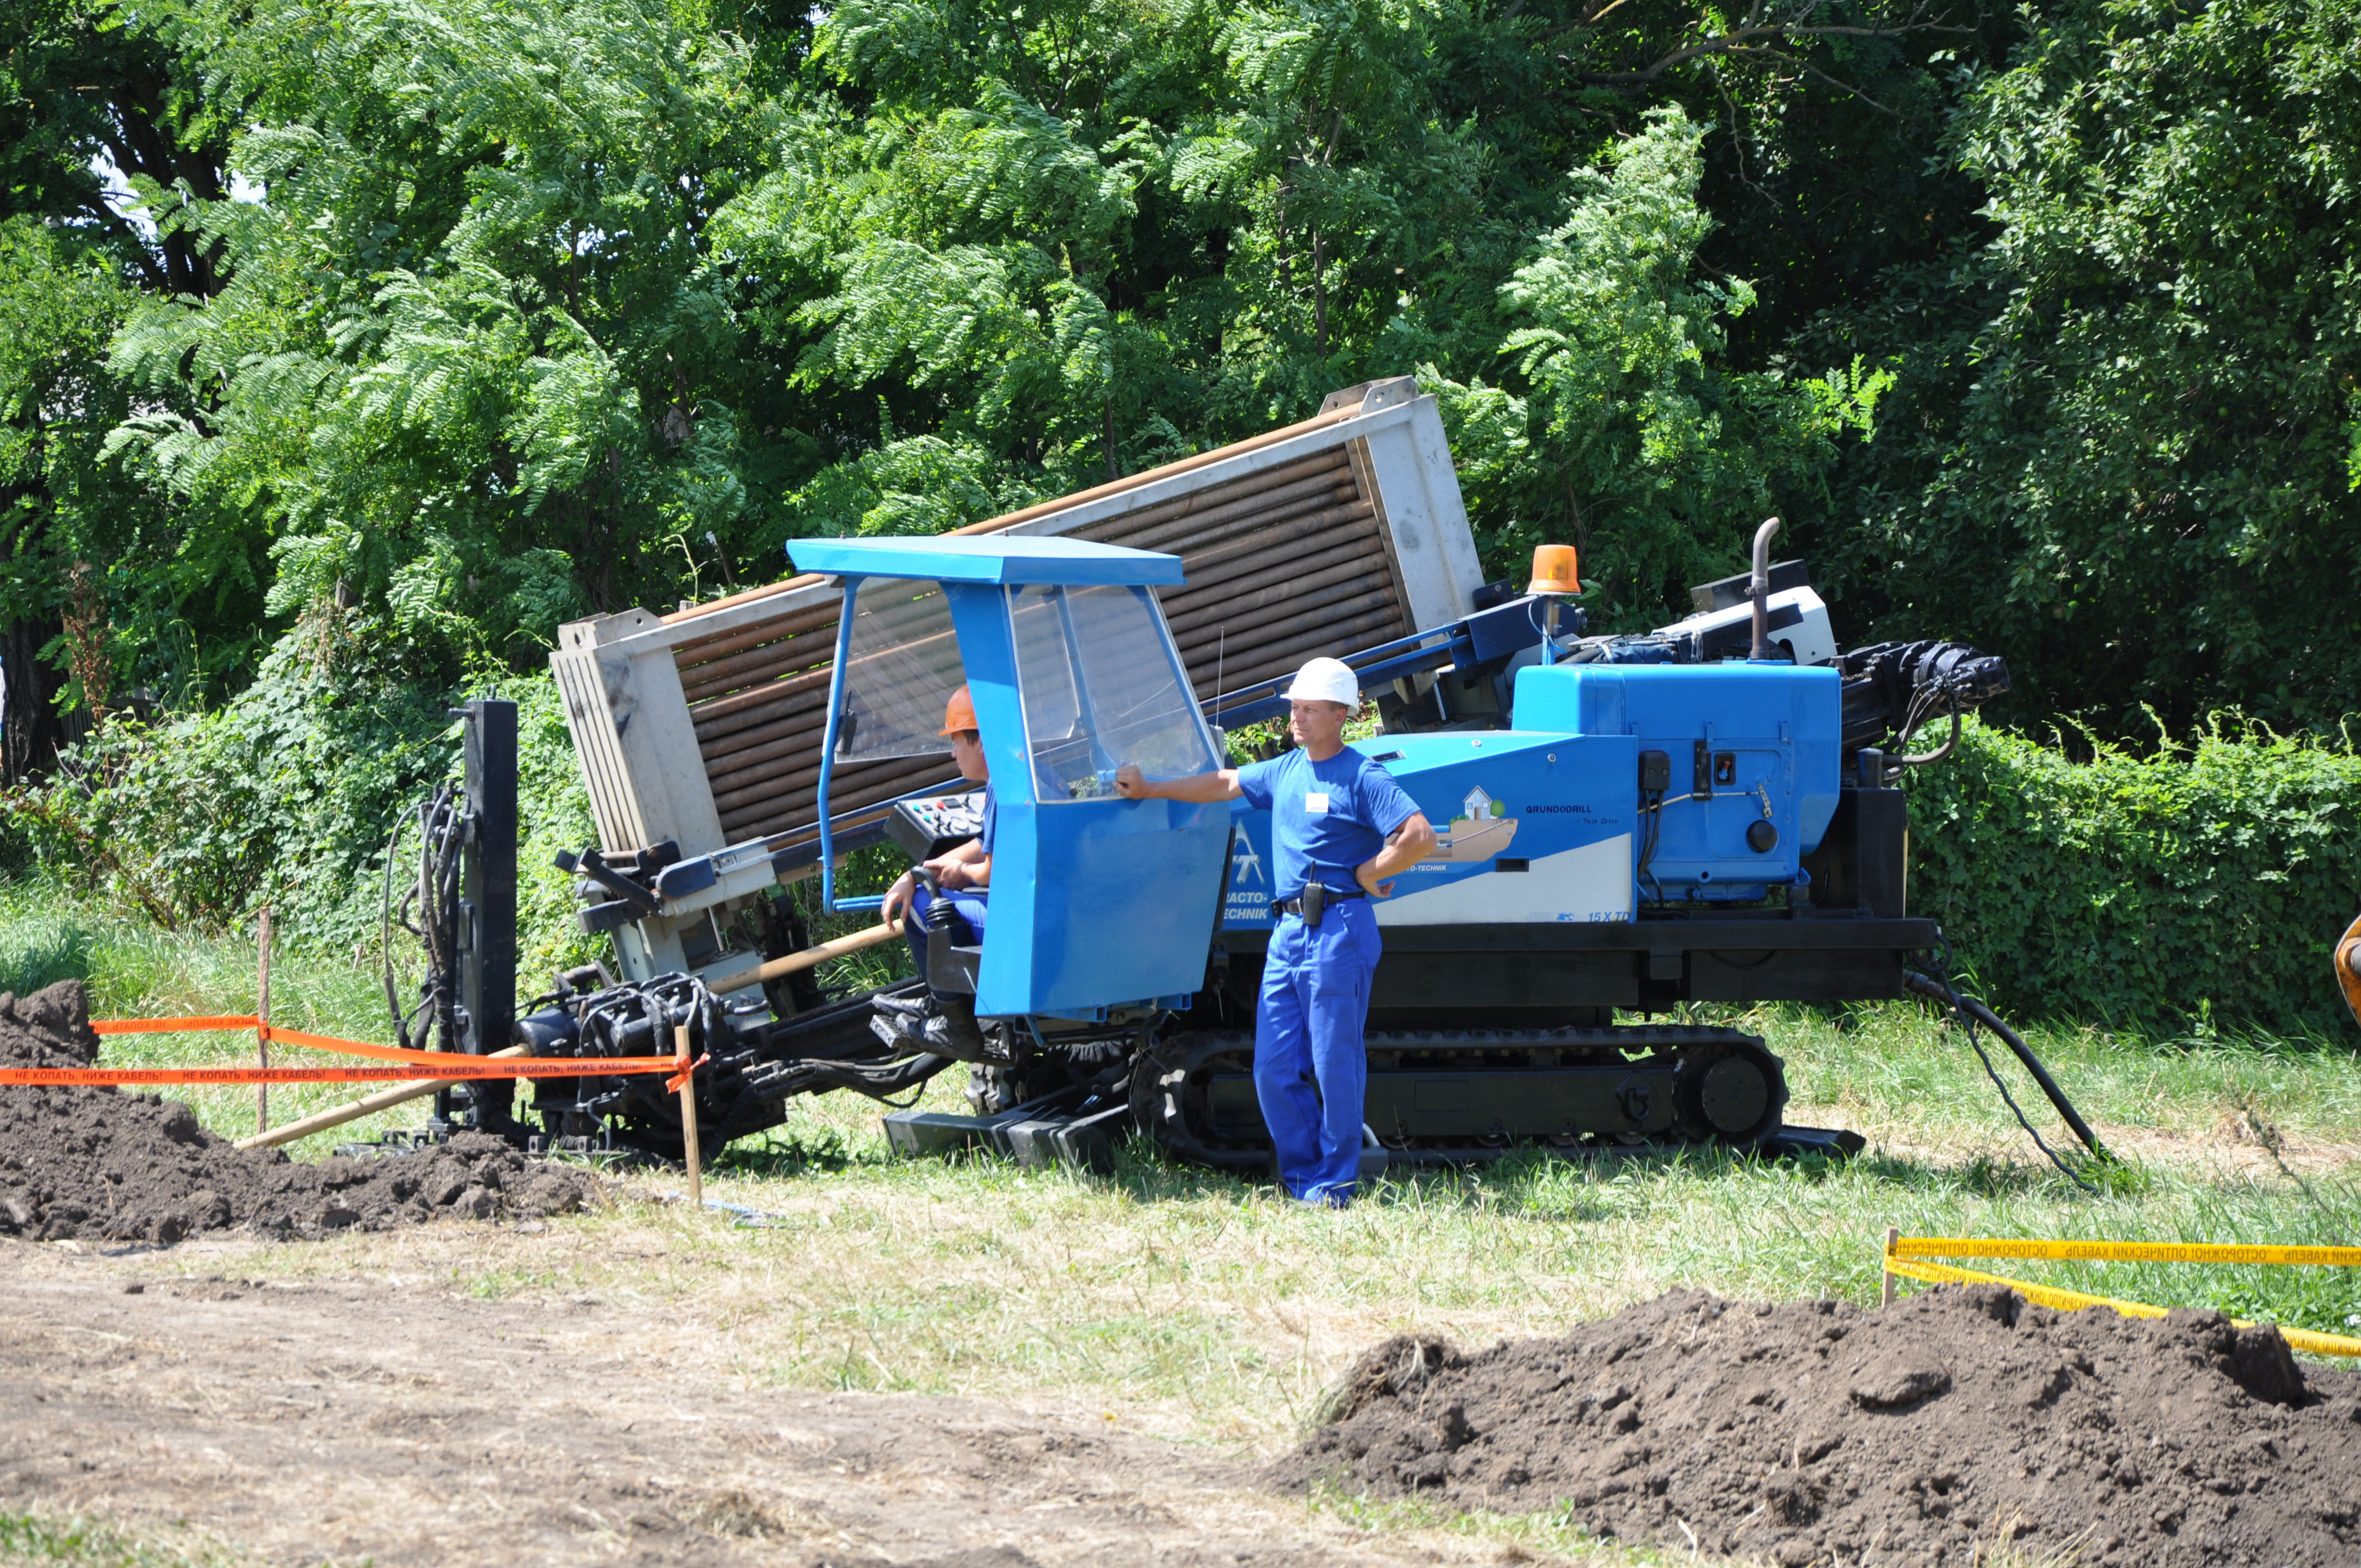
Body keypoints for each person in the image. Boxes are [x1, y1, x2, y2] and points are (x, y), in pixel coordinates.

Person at [1116, 656, 1434, 1207]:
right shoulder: (1286, 770)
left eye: (1310, 709)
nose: (1297, 717)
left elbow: (1419, 835)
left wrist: (1370, 872)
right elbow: (1224, 781)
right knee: (1272, 1067)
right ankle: (1303, 1174)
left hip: (1339, 928)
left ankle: (1333, 1184)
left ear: (1341, 715)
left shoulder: (1363, 775)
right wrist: (1152, 787)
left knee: (1335, 1064)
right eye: (1295, 707)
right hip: (1287, 932)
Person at [873, 685, 996, 1060]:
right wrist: (919, 871)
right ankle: (944, 1002)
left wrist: (964, 873)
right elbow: (984, 844)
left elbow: (994, 870)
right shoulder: (1016, 776)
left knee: (920, 906)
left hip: (1019, 924)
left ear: (982, 742)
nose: (953, 751)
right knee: (922, 886)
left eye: (958, 740)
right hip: (1038, 910)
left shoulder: (1004, 789)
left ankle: (960, 1029)